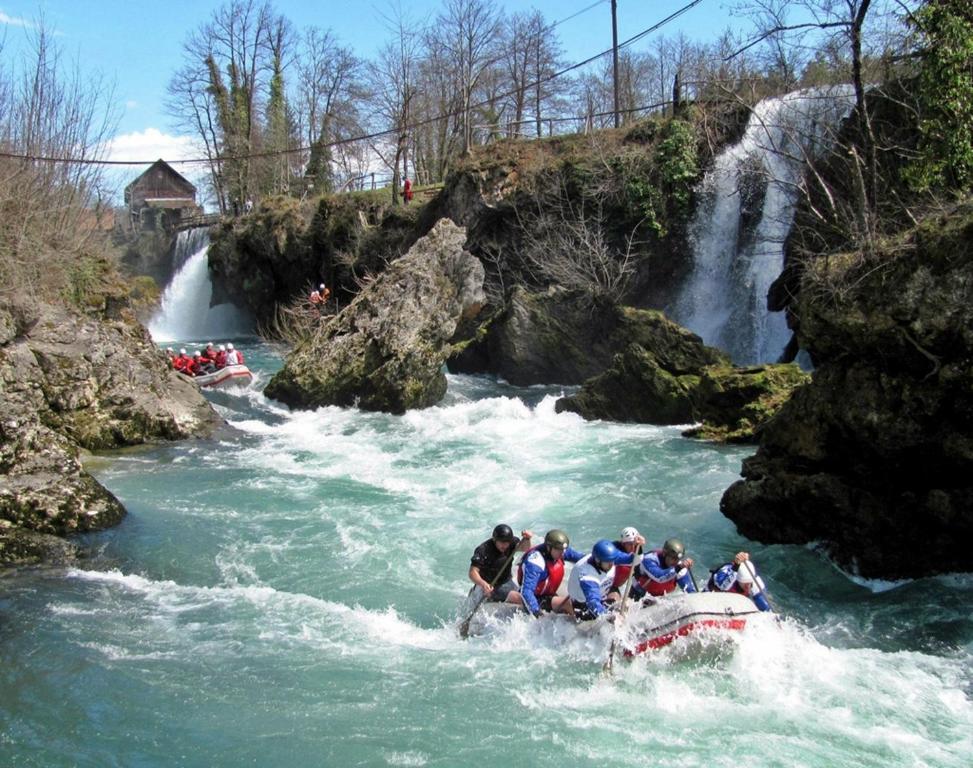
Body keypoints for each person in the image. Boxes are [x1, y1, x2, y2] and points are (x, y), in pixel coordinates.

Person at [567, 539, 640, 621]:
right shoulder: (588, 577)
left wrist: (638, 547)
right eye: (608, 563)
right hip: (584, 603)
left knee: (621, 606)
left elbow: (634, 560)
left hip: (603, 591)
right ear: (598, 561)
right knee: (596, 619)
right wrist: (610, 617)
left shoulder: (608, 558)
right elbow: (593, 603)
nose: (611, 565)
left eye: (612, 561)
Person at [518, 529, 586, 617]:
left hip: (549, 594)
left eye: (563, 550)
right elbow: (527, 591)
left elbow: (584, 559)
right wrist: (537, 612)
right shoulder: (535, 562)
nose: (562, 553)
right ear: (549, 548)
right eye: (559, 550)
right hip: (536, 599)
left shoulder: (559, 550)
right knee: (570, 604)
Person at [468, 524, 534, 605]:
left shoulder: (512, 542)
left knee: (526, 596)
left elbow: (525, 548)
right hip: (490, 586)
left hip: (506, 581)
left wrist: (527, 539)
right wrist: (483, 584)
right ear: (495, 540)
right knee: (518, 598)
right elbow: (472, 572)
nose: (505, 545)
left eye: (507, 542)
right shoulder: (483, 550)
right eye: (502, 542)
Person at [630, 537, 697, 600]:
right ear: (664, 554)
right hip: (638, 596)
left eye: (678, 559)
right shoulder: (649, 559)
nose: (676, 561)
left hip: (659, 599)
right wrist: (679, 567)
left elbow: (690, 592)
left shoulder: (679, 567)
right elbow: (659, 578)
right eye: (673, 558)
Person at [705, 551, 772, 612]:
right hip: (715, 593)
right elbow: (722, 587)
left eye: (749, 583)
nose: (747, 586)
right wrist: (736, 565)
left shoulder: (755, 582)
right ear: (737, 580)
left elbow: (765, 608)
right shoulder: (724, 574)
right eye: (744, 583)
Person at [611, 526, 646, 592]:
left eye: (634, 544)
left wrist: (639, 546)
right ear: (623, 544)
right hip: (610, 584)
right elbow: (633, 560)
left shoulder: (637, 550)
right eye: (629, 544)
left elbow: (638, 561)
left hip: (623, 583)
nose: (633, 547)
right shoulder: (614, 550)